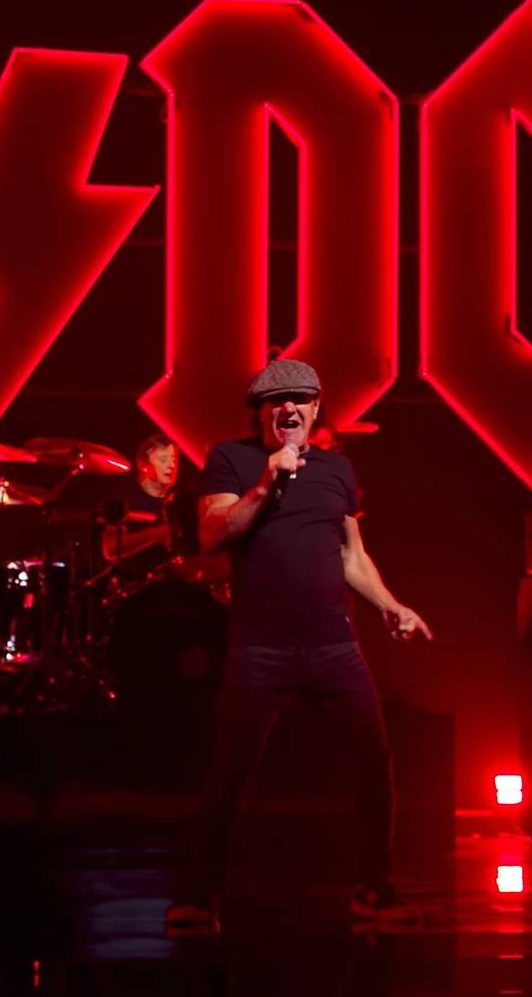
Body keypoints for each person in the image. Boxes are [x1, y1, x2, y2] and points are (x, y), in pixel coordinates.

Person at [165, 357, 431, 931]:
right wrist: (266, 484)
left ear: (314, 410)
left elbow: (352, 556)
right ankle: (198, 896)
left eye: (301, 400)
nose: (289, 408)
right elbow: (212, 534)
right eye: (277, 401)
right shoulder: (232, 460)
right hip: (260, 649)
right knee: (230, 772)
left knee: (374, 765)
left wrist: (390, 605)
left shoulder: (337, 469)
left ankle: (374, 890)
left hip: (334, 646)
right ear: (262, 412)